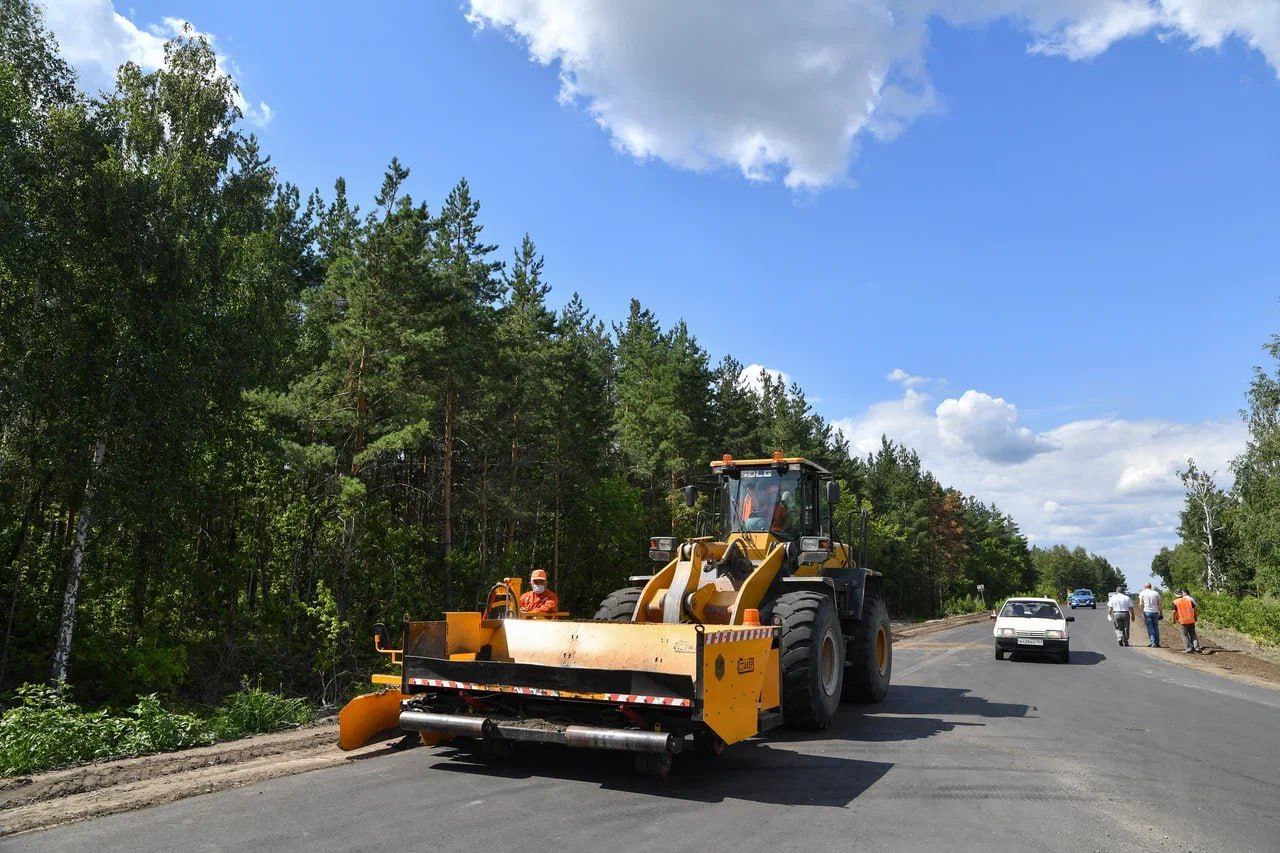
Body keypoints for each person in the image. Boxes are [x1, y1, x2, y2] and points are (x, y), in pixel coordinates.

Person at [1172, 589, 1202, 653]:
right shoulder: (1189, 600)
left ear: (1175, 595)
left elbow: (1174, 612)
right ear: (1182, 594)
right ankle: (1197, 647)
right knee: (1193, 634)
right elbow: (1194, 610)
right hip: (1191, 619)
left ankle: (1188, 648)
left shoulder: (1175, 602)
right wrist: (1195, 618)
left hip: (1183, 620)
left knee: (1185, 635)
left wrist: (1174, 619)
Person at [1138, 582, 1162, 647]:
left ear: (1145, 587)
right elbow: (1159, 604)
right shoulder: (1156, 593)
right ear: (1151, 586)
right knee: (1156, 627)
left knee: (1150, 627)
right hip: (1155, 611)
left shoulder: (1142, 593)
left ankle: (1153, 642)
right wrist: (1161, 613)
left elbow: (1141, 603)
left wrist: (1141, 610)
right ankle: (1157, 643)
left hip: (1147, 611)